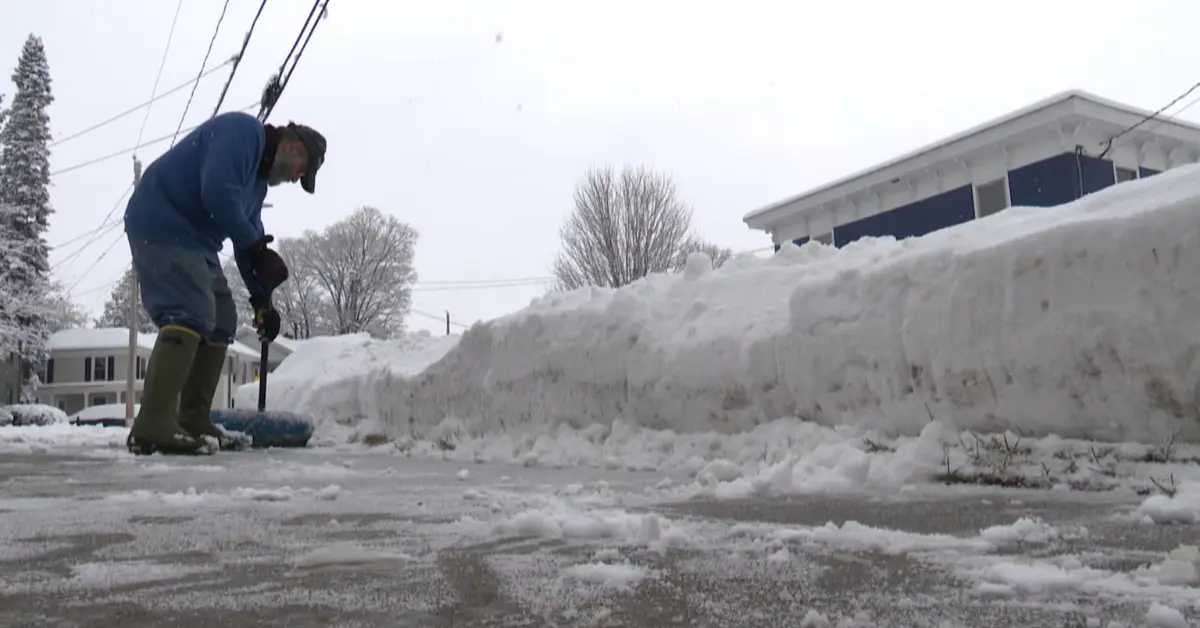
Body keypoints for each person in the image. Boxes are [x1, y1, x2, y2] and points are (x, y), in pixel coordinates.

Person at [122, 111, 327, 455]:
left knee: (221, 317)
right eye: (302, 169)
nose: (297, 179)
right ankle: (152, 424)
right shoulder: (242, 132)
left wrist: (263, 300)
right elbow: (217, 193)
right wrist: (257, 248)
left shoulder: (257, 186)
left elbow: (250, 242)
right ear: (292, 146)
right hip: (161, 218)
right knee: (190, 310)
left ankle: (193, 420)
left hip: (196, 240)